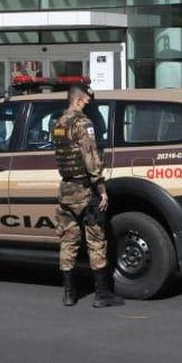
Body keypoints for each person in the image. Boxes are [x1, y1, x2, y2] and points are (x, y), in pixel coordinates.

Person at [53, 84, 124, 308]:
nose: (88, 104)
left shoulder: (58, 123)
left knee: (68, 242)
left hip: (65, 190)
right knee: (96, 241)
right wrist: (101, 189)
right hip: (85, 191)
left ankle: (69, 294)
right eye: (85, 101)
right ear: (78, 100)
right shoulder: (83, 124)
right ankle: (101, 294)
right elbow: (91, 158)